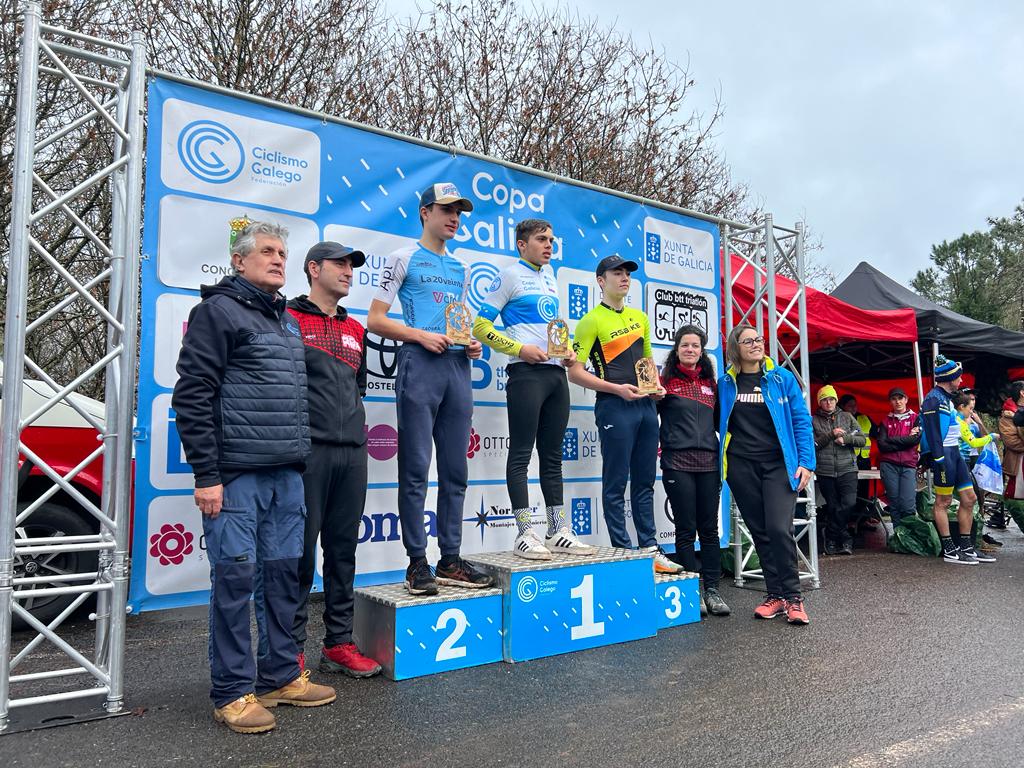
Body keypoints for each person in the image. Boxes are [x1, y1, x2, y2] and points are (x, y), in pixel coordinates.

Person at [172, 221, 335, 734]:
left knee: (284, 581)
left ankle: (281, 676)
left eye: (283, 252)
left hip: (286, 475)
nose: (278, 259)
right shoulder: (216, 312)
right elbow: (192, 395)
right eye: (267, 251)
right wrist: (207, 474)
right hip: (236, 476)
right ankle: (233, 692)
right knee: (236, 584)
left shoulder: (285, 320)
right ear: (239, 261)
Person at [368, 182, 493, 595]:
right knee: (417, 468)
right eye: (446, 210)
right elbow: (376, 320)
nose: (454, 218)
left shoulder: (460, 268)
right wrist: (419, 336)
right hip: (420, 364)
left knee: (456, 470)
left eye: (458, 211)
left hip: (457, 366)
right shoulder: (402, 257)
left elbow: (458, 319)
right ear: (425, 213)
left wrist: (470, 342)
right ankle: (417, 562)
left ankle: (450, 558)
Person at [472, 218, 595, 559]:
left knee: (553, 457)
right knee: (522, 454)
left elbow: (551, 328)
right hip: (526, 372)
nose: (549, 245)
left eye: (552, 240)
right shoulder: (510, 275)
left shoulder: (550, 277)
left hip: (556, 374)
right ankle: (524, 533)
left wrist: (567, 349)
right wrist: (518, 349)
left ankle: (557, 530)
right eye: (542, 239)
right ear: (521, 244)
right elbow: (481, 326)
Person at [286, 242, 381, 678]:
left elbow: (357, 387)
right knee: (299, 555)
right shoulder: (286, 319)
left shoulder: (357, 329)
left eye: (351, 265)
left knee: (343, 552)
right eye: (339, 264)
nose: (347, 271)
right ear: (313, 269)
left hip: (352, 453)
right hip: (306, 452)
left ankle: (339, 644)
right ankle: (289, 654)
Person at [567, 255, 681, 574]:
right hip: (614, 405)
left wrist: (656, 388)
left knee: (644, 481)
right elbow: (574, 373)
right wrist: (615, 389)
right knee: (616, 482)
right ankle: (623, 550)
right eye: (617, 273)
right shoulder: (591, 321)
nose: (624, 277)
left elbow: (646, 366)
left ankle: (650, 547)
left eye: (627, 273)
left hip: (645, 406)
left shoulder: (639, 317)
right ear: (601, 281)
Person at [718, 323, 815, 625]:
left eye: (758, 339)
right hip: (741, 466)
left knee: (777, 528)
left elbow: (800, 420)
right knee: (759, 531)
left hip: (779, 465)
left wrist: (807, 462)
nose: (755, 344)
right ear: (736, 348)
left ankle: (794, 597)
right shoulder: (726, 383)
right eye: (747, 341)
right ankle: (775, 595)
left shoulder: (781, 379)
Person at [658, 324, 729, 615]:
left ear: (702, 351)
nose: (690, 349)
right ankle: (691, 590)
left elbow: (722, 425)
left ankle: (712, 590)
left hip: (709, 464)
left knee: (709, 530)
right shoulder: (665, 383)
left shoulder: (713, 385)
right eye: (685, 345)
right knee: (686, 530)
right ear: (677, 349)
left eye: (696, 346)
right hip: (677, 463)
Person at [919, 355, 991, 564]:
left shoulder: (947, 399)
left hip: (955, 454)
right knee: (943, 501)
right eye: (958, 378)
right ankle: (950, 549)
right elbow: (933, 432)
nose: (961, 381)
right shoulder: (934, 398)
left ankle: (967, 547)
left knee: (969, 499)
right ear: (949, 378)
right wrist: (937, 458)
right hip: (944, 455)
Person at [811, 385, 865, 555]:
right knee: (833, 507)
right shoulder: (813, 420)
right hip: (825, 470)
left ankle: (831, 533)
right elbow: (812, 446)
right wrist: (830, 435)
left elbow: (862, 439)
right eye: (825, 400)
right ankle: (842, 539)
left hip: (848, 468)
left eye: (831, 399)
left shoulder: (847, 417)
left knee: (849, 503)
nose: (829, 402)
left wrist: (847, 439)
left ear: (836, 401)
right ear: (819, 402)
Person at [875, 387, 921, 530]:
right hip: (888, 465)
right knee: (894, 504)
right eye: (894, 399)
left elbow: (914, 440)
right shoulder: (885, 421)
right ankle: (898, 537)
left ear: (906, 400)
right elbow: (882, 446)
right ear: (890, 402)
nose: (898, 402)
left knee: (907, 505)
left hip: (908, 465)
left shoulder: (916, 418)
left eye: (900, 398)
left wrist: (892, 440)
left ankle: (910, 536)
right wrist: (904, 442)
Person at [838, 393, 878, 526]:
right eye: (850, 405)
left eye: (855, 405)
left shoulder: (864, 418)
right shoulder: (838, 419)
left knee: (864, 491)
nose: (854, 408)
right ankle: (849, 520)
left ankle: (863, 518)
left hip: (864, 460)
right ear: (842, 406)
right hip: (846, 460)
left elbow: (877, 433)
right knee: (849, 493)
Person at [995, 381, 1024, 530]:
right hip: (1018, 463)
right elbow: (1011, 441)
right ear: (1022, 393)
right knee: (1015, 498)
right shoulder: (1008, 415)